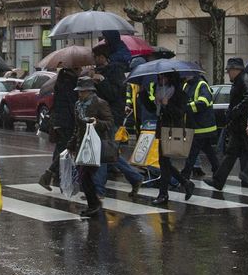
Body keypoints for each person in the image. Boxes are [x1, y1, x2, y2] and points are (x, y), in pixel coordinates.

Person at [93, 42, 146, 193]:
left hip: (110, 117)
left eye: (95, 57)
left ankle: (98, 189)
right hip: (100, 116)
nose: (93, 60)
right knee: (109, 153)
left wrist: (101, 81)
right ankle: (135, 177)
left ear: (103, 57)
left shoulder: (115, 71)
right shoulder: (99, 71)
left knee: (104, 151)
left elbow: (113, 94)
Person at [68, 73, 116, 218]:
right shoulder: (78, 105)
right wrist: (71, 144)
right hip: (82, 145)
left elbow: (110, 122)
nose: (79, 94)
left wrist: (97, 123)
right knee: (85, 178)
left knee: (85, 176)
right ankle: (93, 204)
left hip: (95, 144)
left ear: (90, 91)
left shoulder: (100, 103)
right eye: (78, 92)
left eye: (82, 92)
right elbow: (77, 127)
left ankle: (94, 205)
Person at [149, 71, 197, 204]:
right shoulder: (159, 91)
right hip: (162, 128)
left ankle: (163, 194)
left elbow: (179, 113)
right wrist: (143, 95)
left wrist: (167, 104)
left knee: (164, 162)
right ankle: (185, 183)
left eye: (163, 76)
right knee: (164, 162)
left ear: (170, 78)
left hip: (172, 129)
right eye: (158, 76)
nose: (160, 78)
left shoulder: (178, 93)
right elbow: (153, 110)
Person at [210, 58, 248, 190]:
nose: (228, 73)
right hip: (239, 125)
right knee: (232, 154)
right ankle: (218, 181)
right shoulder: (239, 80)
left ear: (236, 69)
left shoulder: (244, 79)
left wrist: (236, 110)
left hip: (246, 124)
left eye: (229, 70)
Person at [38, 65, 79, 192]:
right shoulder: (69, 84)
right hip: (66, 122)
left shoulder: (61, 82)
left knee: (61, 149)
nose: (81, 69)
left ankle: (52, 175)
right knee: (66, 150)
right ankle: (50, 176)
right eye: (79, 68)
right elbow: (72, 105)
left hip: (59, 121)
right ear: (74, 70)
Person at [184, 71, 220, 179]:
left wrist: (187, 107)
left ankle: (185, 175)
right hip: (194, 126)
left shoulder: (202, 85)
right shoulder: (186, 85)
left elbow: (203, 103)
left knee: (192, 152)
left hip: (203, 126)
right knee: (207, 150)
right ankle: (217, 169)